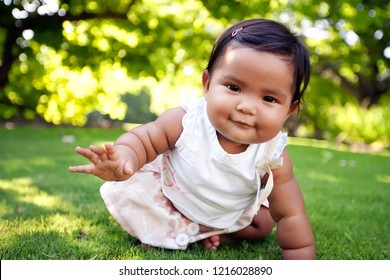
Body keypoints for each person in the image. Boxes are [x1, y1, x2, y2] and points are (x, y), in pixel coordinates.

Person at [69, 18, 315, 259]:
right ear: (207, 84)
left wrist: (299, 253)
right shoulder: (186, 121)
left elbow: (291, 214)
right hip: (174, 198)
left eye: (269, 99)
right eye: (234, 87)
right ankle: (173, 234)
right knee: (148, 208)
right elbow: (144, 140)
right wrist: (124, 158)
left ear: (288, 111)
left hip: (228, 211)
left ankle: (211, 233)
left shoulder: (273, 157)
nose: (247, 107)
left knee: (263, 223)